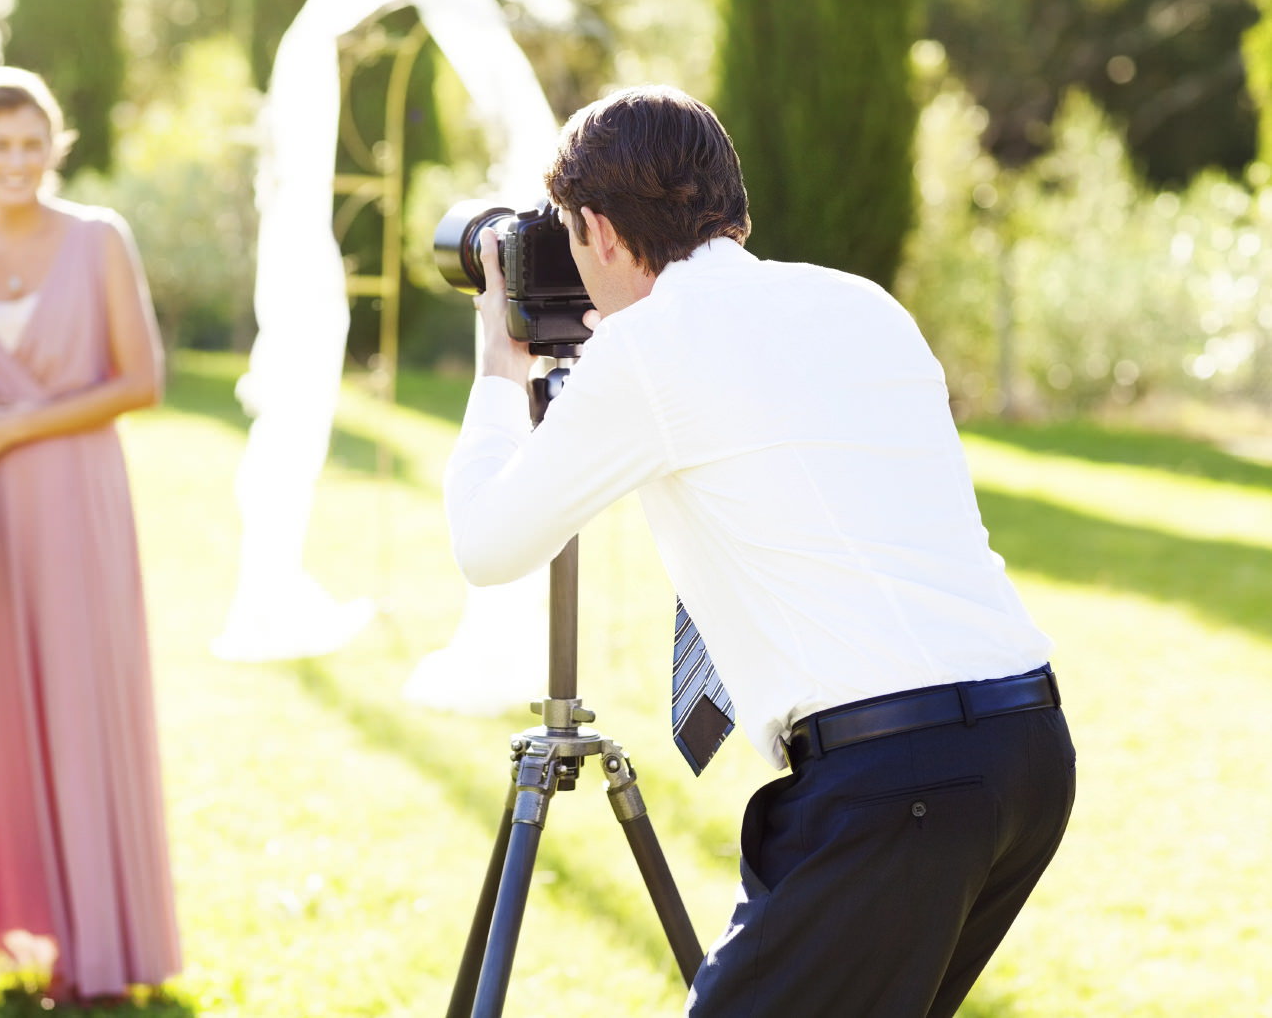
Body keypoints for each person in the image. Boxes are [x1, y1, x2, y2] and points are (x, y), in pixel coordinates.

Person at [443, 85, 1075, 1017]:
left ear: (603, 233)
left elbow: (487, 545)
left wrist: (501, 369)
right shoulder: (862, 303)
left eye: (573, 237)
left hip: (896, 780)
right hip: (1028, 749)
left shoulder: (650, 349)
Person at [0, 67, 182, 1003]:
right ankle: (9, 923)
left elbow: (141, 380)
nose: (18, 161)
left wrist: (8, 427)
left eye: (34, 142)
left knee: (79, 702)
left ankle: (98, 944)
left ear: (53, 147)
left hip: (76, 500)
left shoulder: (99, 238)